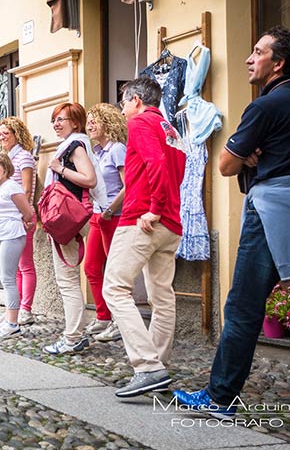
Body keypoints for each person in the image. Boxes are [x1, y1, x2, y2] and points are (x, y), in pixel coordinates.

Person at [174, 26, 290, 416]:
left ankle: (220, 397)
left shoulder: (266, 105)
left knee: (242, 307)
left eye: (258, 52)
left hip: (272, 212)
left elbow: (224, 164)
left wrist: (247, 155)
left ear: (279, 63)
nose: (249, 59)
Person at [102, 77, 186, 398]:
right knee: (162, 298)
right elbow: (176, 167)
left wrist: (154, 207)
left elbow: (156, 163)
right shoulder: (170, 128)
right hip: (171, 224)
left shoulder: (140, 123)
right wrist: (164, 208)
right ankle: (158, 368)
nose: (123, 111)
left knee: (115, 288)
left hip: (144, 219)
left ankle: (148, 367)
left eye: (123, 103)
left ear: (136, 100)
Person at [42, 102, 108, 356]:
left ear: (76, 123)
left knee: (67, 281)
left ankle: (73, 337)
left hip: (67, 220)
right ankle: (75, 333)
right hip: (70, 218)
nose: (57, 124)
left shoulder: (75, 147)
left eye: (62, 119)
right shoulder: (76, 144)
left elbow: (89, 179)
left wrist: (59, 169)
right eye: (54, 120)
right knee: (69, 279)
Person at [83, 103, 127, 342]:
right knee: (91, 267)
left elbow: (128, 185)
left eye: (94, 121)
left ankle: (120, 323)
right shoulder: (97, 153)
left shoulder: (117, 150)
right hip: (98, 216)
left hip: (114, 216)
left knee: (114, 272)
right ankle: (103, 316)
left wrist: (111, 210)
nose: (89, 125)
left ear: (107, 124)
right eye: (88, 120)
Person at [0, 152, 35, 340]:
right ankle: (9, 318)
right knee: (7, 280)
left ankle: (12, 324)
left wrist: (22, 221)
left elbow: (27, 211)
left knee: (8, 279)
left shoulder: (12, 186)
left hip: (11, 235)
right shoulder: (0, 188)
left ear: (5, 167)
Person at [0, 117, 37, 326]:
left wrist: (26, 216)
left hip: (22, 216)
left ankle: (26, 309)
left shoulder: (24, 157)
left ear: (17, 134)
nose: (2, 136)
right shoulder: (4, 158)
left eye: (7, 132)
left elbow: (27, 189)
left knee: (26, 265)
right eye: (0, 132)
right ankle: (13, 308)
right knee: (14, 269)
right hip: (9, 219)